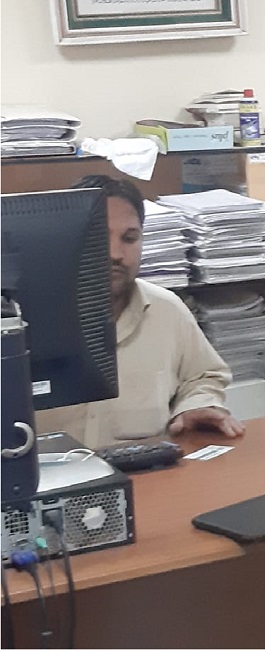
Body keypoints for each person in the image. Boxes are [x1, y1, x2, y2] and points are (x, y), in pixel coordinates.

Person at [35, 175, 245, 449]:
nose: (116, 253)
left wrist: (193, 406)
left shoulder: (166, 310)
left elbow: (204, 375)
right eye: (98, 236)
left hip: (142, 470)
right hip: (47, 472)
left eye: (129, 238)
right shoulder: (22, 319)